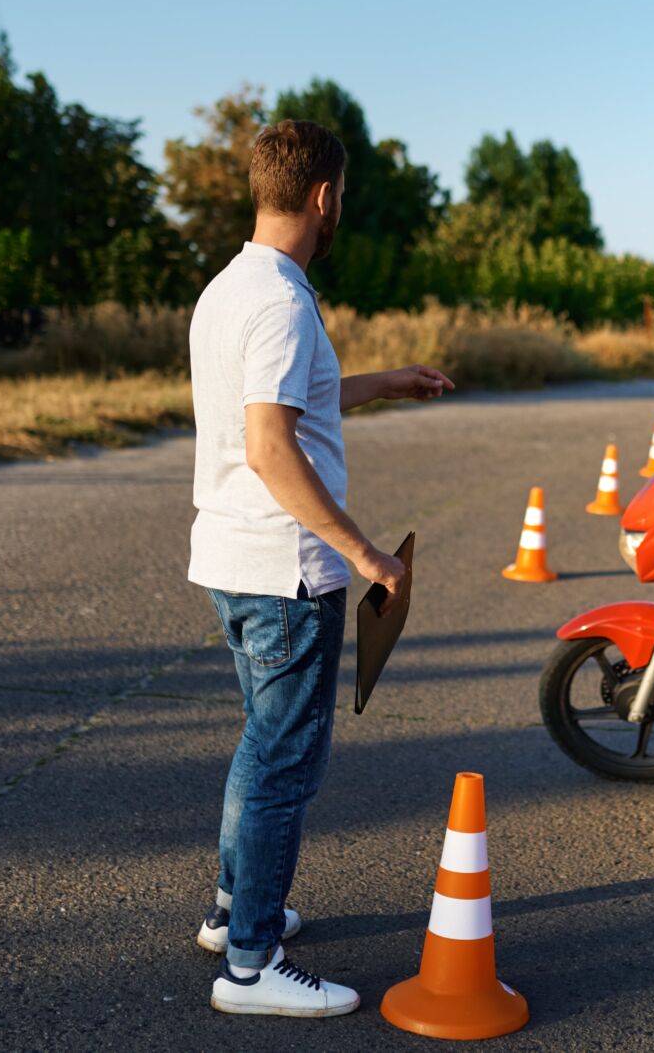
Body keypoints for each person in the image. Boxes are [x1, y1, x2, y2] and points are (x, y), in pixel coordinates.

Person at [188, 119, 454, 1018]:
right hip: (285, 571)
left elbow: (287, 399)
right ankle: (254, 967)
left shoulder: (230, 287)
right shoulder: (284, 300)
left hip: (232, 558)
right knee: (282, 761)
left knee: (262, 745)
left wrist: (386, 382)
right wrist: (362, 551)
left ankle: (235, 915)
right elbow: (270, 443)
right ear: (325, 196)